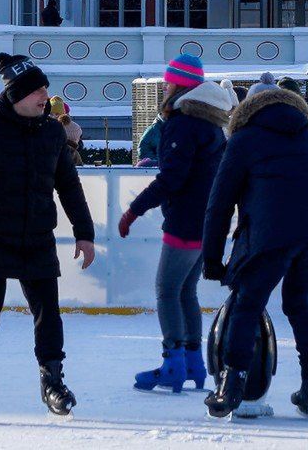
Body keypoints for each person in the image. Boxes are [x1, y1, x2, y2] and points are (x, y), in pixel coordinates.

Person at [0, 52, 97, 421]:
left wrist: (84, 232)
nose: (45, 98)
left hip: (36, 237)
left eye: (46, 90)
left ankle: (53, 382)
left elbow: (68, 183)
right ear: (18, 95)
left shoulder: (51, 131)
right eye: (39, 91)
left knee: (48, 312)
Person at [202, 81, 308, 420]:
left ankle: (231, 385)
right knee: (298, 304)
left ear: (246, 110)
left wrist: (211, 258)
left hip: (273, 234)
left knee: (247, 303)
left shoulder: (242, 140)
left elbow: (219, 203)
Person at [118, 53, 232, 393]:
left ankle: (173, 364)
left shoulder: (183, 123)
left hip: (185, 222)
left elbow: (172, 178)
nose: (165, 87)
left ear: (179, 86)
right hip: (208, 223)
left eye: (169, 82)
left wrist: (133, 210)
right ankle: (194, 363)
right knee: (186, 291)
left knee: (167, 291)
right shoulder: (213, 124)